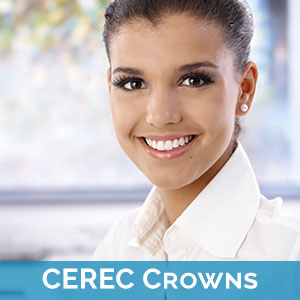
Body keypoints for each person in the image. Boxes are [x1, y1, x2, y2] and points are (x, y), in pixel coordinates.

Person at [93, 0, 300, 261]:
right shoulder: (117, 249)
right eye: (133, 83)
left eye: (193, 80)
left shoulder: (290, 257)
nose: (160, 116)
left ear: (244, 88)